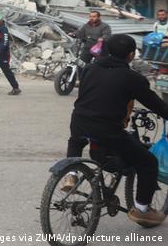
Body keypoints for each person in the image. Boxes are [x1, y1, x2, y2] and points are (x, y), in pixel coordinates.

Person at [62, 34, 168, 227]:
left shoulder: (90, 69)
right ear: (130, 54)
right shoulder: (132, 78)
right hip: (107, 129)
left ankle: (72, 174)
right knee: (148, 162)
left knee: (76, 140)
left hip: (79, 120)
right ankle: (142, 209)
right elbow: (156, 104)